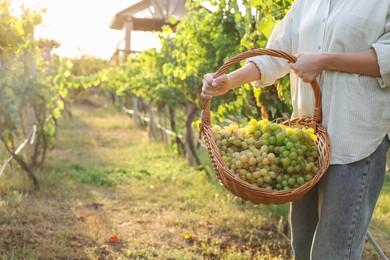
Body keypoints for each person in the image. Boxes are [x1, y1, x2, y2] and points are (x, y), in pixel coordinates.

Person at [201, 0, 390, 259]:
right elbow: (277, 52)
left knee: (333, 253)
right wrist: (229, 82)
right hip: (307, 147)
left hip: (357, 138)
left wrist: (325, 61)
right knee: (301, 247)